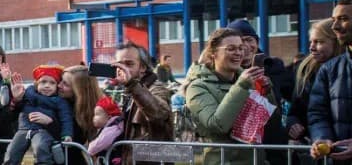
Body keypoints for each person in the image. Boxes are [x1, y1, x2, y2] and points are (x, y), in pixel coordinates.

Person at [185, 28, 274, 165]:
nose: (238, 53)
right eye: (231, 49)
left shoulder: (249, 80)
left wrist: (267, 91)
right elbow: (217, 125)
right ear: (213, 53)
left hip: (255, 160)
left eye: (240, 48)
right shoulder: (197, 87)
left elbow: (267, 121)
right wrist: (242, 86)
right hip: (222, 160)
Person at [228, 19, 293, 164]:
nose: (245, 46)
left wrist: (293, 121)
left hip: (273, 144)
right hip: (241, 147)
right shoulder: (227, 73)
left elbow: (295, 98)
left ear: (257, 42)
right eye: (239, 41)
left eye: (249, 40)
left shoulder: (275, 67)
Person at [112, 42, 173, 164]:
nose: (123, 69)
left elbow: (159, 114)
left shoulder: (156, 88)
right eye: (119, 64)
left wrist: (132, 85)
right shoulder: (126, 89)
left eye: (129, 64)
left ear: (143, 67)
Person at [309, 0, 352, 163]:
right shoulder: (329, 69)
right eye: (334, 20)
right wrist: (322, 137)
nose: (335, 27)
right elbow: (317, 113)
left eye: (343, 19)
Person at [290, 19, 346, 144]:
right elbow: (295, 111)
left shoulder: (346, 68)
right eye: (311, 42)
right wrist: (293, 124)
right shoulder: (305, 70)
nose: (312, 47)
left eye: (319, 42)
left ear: (336, 42)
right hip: (317, 146)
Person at [5, 65, 74, 165]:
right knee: (11, 152)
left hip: (43, 131)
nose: (47, 85)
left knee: (41, 148)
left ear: (57, 86)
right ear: (36, 84)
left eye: (52, 83)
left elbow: (66, 119)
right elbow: (16, 109)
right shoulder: (28, 94)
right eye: (43, 82)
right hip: (23, 129)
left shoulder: (60, 101)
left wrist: (67, 134)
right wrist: (17, 99)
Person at [87, 96, 125, 160]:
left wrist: (90, 149)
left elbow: (100, 143)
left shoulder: (112, 128)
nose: (94, 117)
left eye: (97, 114)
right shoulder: (112, 125)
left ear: (109, 117)